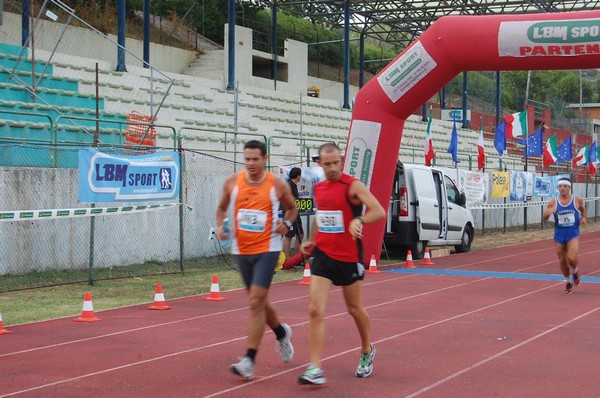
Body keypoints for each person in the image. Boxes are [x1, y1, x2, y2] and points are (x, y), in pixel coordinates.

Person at [297, 142, 386, 385]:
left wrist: (360, 220)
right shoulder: (319, 188)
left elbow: (379, 211)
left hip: (348, 258)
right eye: (327, 164)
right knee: (315, 309)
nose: (333, 168)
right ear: (320, 164)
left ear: (341, 161)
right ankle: (315, 367)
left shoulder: (353, 186)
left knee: (354, 309)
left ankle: (367, 349)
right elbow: (321, 215)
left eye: (336, 163)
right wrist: (311, 240)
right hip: (324, 255)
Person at [216, 140, 299, 379]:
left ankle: (249, 360)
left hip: (268, 248)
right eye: (247, 159)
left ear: (265, 158)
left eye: (255, 159)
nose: (251, 163)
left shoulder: (277, 184)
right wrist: (221, 225)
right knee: (259, 301)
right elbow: (221, 209)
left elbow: (292, 209)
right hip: (241, 250)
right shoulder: (233, 182)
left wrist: (287, 223)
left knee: (255, 302)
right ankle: (281, 333)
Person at [543, 177, 587, 294]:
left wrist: (583, 218)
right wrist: (547, 214)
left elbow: (583, 209)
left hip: (572, 231)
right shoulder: (553, 201)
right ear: (558, 188)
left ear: (569, 187)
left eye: (565, 186)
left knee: (572, 257)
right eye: (560, 186)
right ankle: (568, 281)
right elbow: (545, 218)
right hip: (559, 233)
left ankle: (575, 272)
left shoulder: (576, 200)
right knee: (562, 260)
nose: (562, 188)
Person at [283, 167, 305, 260]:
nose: (301, 177)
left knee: (301, 234)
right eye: (300, 175)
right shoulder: (288, 185)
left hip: (296, 214)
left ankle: (297, 258)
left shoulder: (294, 185)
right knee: (289, 236)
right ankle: (288, 260)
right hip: (289, 215)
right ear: (298, 176)